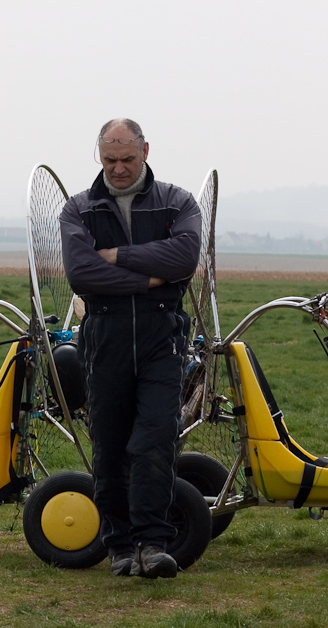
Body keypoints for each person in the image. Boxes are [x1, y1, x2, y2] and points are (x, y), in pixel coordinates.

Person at [60, 118, 201, 579]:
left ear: (146, 150)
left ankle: (153, 544)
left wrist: (116, 257)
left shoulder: (178, 202)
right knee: (110, 444)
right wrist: (150, 276)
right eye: (109, 160)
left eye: (127, 159)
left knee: (157, 438)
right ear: (98, 156)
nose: (118, 169)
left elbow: (184, 258)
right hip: (104, 338)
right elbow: (81, 274)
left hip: (163, 337)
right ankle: (119, 545)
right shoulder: (78, 210)